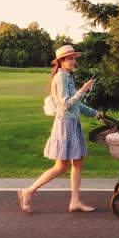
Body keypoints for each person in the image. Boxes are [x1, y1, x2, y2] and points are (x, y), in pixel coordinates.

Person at [18, 45, 103, 214]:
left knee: (75, 163)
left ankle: (74, 200)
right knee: (62, 166)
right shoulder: (60, 78)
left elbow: (76, 103)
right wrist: (83, 89)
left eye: (73, 58)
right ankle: (28, 192)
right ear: (61, 61)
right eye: (69, 58)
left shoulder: (68, 77)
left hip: (72, 123)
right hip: (65, 124)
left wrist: (94, 113)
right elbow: (65, 104)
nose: (73, 61)